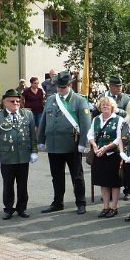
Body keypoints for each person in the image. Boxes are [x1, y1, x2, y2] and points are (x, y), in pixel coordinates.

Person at [38, 70, 92, 214]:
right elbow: (44, 120)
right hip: (54, 145)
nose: (60, 90)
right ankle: (57, 202)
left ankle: (81, 202)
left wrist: (82, 143)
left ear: (70, 85)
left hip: (71, 145)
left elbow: (85, 124)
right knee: (56, 176)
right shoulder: (51, 99)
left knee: (77, 176)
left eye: (63, 87)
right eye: (59, 87)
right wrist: (41, 140)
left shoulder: (79, 100)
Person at [0, 89, 38, 220]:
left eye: (17, 100)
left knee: (23, 185)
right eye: (12, 101)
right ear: (5, 102)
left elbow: (33, 136)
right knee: (8, 184)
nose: (15, 103)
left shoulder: (27, 114)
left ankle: (22, 208)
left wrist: (34, 151)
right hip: (7, 157)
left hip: (23, 156)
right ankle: (8, 209)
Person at [87, 96, 122, 218]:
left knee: (114, 182)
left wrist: (106, 148)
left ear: (112, 107)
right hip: (99, 155)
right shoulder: (96, 119)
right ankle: (106, 206)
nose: (105, 106)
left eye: (107, 105)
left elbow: (119, 138)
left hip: (112, 155)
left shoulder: (118, 119)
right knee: (103, 182)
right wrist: (94, 146)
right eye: (103, 105)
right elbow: (90, 134)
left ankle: (114, 207)